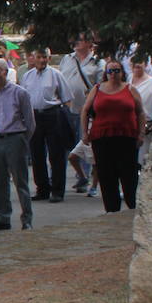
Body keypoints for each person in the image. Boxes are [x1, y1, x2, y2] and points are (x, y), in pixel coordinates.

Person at [0, 58, 36, 230]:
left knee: (21, 181)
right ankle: (3, 217)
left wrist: (23, 140)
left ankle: (27, 218)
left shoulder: (20, 93)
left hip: (15, 138)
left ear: (5, 72)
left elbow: (30, 122)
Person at [82, 60, 146, 213]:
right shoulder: (97, 89)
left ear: (122, 73)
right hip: (102, 138)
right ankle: (112, 211)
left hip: (126, 138)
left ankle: (133, 209)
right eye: (110, 71)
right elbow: (85, 110)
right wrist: (85, 132)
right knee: (106, 176)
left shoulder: (130, 89)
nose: (113, 74)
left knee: (129, 175)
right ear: (106, 73)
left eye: (116, 71)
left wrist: (141, 133)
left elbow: (140, 112)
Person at [21, 49, 72, 203]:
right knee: (36, 154)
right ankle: (42, 188)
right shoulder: (27, 76)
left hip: (53, 114)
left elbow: (67, 98)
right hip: (34, 115)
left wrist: (65, 118)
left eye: (45, 57)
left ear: (49, 58)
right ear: (33, 58)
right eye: (39, 57)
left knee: (56, 154)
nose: (42, 60)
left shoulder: (56, 75)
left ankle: (57, 190)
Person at [60, 33, 103, 191]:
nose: (77, 42)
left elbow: (100, 87)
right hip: (66, 107)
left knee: (83, 144)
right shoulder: (67, 59)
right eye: (76, 39)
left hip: (85, 110)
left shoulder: (98, 62)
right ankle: (59, 177)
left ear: (89, 43)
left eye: (81, 39)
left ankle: (83, 178)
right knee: (63, 144)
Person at [129, 60, 152, 164]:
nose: (137, 65)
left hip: (144, 125)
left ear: (146, 65)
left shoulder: (151, 82)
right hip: (128, 124)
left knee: (141, 158)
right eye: (134, 63)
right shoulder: (129, 78)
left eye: (140, 63)